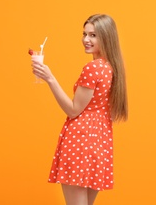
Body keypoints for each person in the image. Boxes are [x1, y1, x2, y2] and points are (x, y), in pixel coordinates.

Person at [32, 14, 128, 205]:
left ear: (106, 37)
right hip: (99, 143)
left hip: (80, 143)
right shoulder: (111, 67)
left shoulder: (93, 68)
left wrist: (50, 78)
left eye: (93, 35)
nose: (86, 40)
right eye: (84, 34)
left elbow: (74, 110)